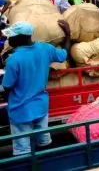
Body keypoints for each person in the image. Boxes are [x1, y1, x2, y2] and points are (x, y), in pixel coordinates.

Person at [2, 21, 70, 155]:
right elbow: (64, 54)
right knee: (44, 142)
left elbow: (7, 86)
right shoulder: (45, 49)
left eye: (11, 36)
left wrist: (8, 100)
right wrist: (68, 34)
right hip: (40, 106)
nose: (8, 39)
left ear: (21, 38)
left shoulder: (14, 59)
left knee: (22, 149)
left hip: (19, 109)